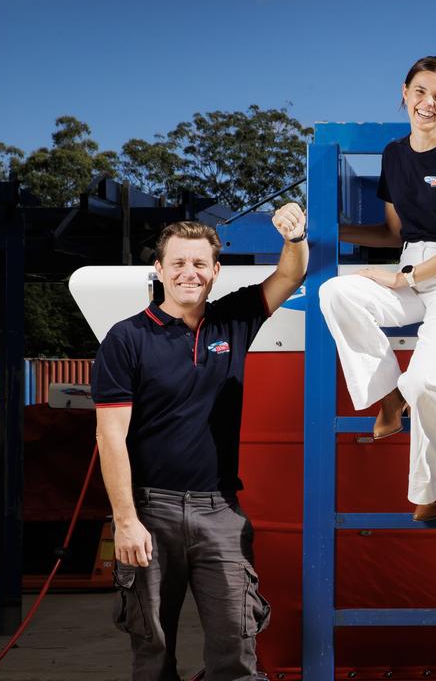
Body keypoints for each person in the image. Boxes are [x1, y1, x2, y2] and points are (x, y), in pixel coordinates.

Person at [92, 207, 308, 681]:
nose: (188, 273)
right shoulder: (126, 339)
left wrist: (295, 236)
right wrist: (126, 521)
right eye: (178, 263)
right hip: (150, 512)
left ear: (215, 271)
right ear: (159, 269)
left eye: (199, 264)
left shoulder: (234, 319)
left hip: (221, 511)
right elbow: (110, 436)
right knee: (153, 652)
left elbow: (291, 273)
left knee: (237, 647)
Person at [319, 55, 436, 522]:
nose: (427, 103)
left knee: (423, 379)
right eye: (420, 92)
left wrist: (406, 278)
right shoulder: (394, 154)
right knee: (335, 292)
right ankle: (388, 395)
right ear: (404, 92)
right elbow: (394, 233)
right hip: (412, 267)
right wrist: (328, 230)